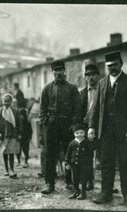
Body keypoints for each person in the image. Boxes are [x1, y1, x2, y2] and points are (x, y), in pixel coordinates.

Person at [88, 51, 127, 206]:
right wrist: (92, 127)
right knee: (106, 163)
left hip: (124, 131)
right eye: (109, 66)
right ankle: (106, 193)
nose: (112, 68)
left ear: (121, 63)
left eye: (114, 65)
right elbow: (95, 108)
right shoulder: (101, 83)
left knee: (125, 163)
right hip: (106, 132)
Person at [39, 60, 82, 194]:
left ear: (64, 71)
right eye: (56, 70)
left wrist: (74, 124)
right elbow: (42, 109)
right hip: (51, 126)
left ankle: (70, 182)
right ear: (52, 72)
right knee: (49, 155)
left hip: (67, 126)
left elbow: (77, 108)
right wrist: (45, 122)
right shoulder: (47, 88)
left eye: (60, 70)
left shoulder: (72, 88)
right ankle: (49, 183)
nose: (58, 73)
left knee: (70, 154)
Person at [79, 64, 100, 191]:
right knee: (86, 156)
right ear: (85, 77)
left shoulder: (103, 91)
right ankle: (89, 181)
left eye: (93, 75)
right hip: (86, 128)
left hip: (100, 127)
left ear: (98, 76)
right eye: (88, 75)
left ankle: (107, 185)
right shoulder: (81, 94)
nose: (91, 77)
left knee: (103, 157)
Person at [0, 93, 21, 179]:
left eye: (8, 101)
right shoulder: (0, 111)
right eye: (5, 101)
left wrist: (19, 134)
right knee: (5, 152)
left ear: (11, 102)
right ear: (2, 101)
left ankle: (11, 170)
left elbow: (19, 123)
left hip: (12, 135)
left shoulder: (15, 111)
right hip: (3, 135)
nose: (6, 103)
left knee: (11, 152)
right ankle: (6, 169)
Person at [65, 123, 95, 200]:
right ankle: (77, 191)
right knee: (74, 179)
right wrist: (67, 163)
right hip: (74, 165)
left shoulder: (87, 142)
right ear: (74, 134)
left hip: (84, 165)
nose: (79, 135)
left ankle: (83, 193)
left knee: (83, 179)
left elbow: (92, 149)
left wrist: (92, 141)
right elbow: (68, 153)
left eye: (81, 133)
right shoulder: (72, 143)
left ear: (85, 133)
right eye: (77, 133)